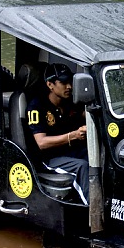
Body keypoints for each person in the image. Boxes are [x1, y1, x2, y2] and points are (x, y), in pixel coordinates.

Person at [26, 63, 89, 205]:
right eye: (63, 82)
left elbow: (86, 114)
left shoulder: (71, 102)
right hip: (48, 158)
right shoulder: (36, 107)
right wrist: (73, 135)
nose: (69, 87)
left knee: (99, 157)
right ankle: (92, 211)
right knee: (83, 166)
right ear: (50, 85)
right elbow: (42, 143)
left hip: (71, 152)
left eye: (70, 82)